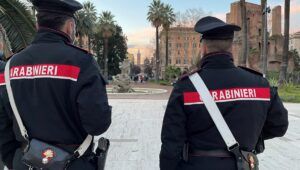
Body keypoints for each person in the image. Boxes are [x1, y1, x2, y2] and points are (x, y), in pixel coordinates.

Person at [159, 16, 289, 170]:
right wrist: (248, 137)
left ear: (204, 48)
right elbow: (279, 126)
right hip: (243, 165)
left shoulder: (186, 87)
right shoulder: (260, 84)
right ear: (231, 48)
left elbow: (171, 143)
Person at [0, 0, 111, 169]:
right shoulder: (82, 62)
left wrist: (15, 161)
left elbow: (3, 124)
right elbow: (97, 124)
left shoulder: (10, 66)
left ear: (38, 25)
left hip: (26, 163)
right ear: (69, 26)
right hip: (74, 163)